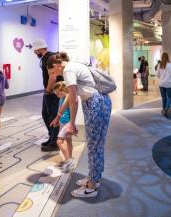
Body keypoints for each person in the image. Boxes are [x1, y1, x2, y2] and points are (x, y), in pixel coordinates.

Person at [47, 52, 112, 198]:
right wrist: (59, 116)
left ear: (57, 65)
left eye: (53, 71)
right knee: (95, 144)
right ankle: (93, 177)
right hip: (98, 103)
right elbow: (71, 96)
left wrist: (71, 123)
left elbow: (73, 99)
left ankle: (92, 187)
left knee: (94, 145)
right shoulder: (74, 65)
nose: (54, 75)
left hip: (95, 104)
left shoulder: (68, 70)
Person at [32, 39, 62, 152]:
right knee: (45, 114)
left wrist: (48, 90)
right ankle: (52, 137)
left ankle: (54, 142)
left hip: (53, 92)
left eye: (35, 51)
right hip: (50, 91)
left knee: (52, 115)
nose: (34, 53)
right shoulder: (46, 58)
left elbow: (53, 77)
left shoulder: (50, 58)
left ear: (39, 49)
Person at [50, 81, 75, 173]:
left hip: (67, 123)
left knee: (59, 141)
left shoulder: (68, 97)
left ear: (63, 90)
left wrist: (71, 124)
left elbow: (70, 111)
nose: (57, 95)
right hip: (63, 123)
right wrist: (58, 121)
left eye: (58, 93)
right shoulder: (62, 99)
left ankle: (69, 160)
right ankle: (69, 159)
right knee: (68, 141)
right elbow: (60, 111)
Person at [156, 53, 171, 117]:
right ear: (168, 57)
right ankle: (166, 109)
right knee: (170, 96)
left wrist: (162, 77)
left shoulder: (159, 65)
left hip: (161, 83)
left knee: (163, 97)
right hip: (169, 83)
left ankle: (164, 109)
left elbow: (157, 75)